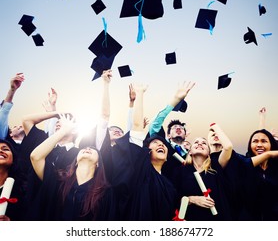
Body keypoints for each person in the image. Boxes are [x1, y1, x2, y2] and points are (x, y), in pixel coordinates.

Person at [100, 83, 179, 220]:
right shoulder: (139, 171)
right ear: (144, 152)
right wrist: (140, 94)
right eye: (154, 143)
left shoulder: (169, 186)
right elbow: (135, 129)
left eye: (163, 144)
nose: (161, 145)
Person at [30, 114, 116, 220]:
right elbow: (35, 157)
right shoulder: (59, 182)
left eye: (93, 149)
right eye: (85, 148)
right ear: (75, 162)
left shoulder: (105, 193)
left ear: (98, 162)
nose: (88, 149)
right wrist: (63, 131)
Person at [172, 123, 234, 221]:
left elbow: (228, 147)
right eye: (196, 142)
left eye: (204, 143)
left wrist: (215, 128)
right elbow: (173, 198)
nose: (200, 144)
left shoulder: (216, 166)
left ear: (209, 152)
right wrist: (192, 199)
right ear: (190, 151)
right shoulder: (179, 171)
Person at [239, 129, 278, 220]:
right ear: (250, 145)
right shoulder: (243, 164)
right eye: (255, 141)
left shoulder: (276, 168)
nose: (259, 145)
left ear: (271, 145)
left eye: (264, 141)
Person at [0, 73, 25, 148]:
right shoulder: (5, 142)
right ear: (10, 134)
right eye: (15, 127)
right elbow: (4, 113)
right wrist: (12, 90)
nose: (20, 126)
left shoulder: (33, 145)